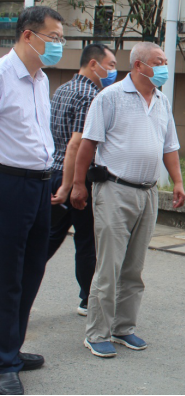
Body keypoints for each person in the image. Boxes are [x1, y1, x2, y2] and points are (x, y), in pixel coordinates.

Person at [71, 41, 185, 359]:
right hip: (115, 189)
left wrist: (177, 181)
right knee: (109, 265)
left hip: (148, 192)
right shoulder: (110, 97)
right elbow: (88, 144)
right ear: (138, 65)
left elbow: (169, 146)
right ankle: (97, 332)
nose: (164, 67)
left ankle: (123, 327)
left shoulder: (161, 100)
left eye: (165, 61)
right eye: (158, 62)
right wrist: (78, 184)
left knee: (134, 267)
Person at [0, 6, 65, 396]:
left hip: (41, 185)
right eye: (53, 38)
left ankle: (12, 345)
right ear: (28, 35)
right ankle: (4, 362)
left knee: (32, 270)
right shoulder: (2, 76)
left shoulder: (41, 79)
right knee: (7, 275)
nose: (59, 45)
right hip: (9, 184)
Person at [48, 43, 118, 317]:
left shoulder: (62, 89)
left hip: (54, 171)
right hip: (76, 177)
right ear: (93, 64)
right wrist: (71, 185)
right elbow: (76, 145)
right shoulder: (90, 96)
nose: (113, 71)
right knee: (87, 240)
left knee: (47, 238)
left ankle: (16, 286)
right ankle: (88, 299)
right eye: (110, 65)